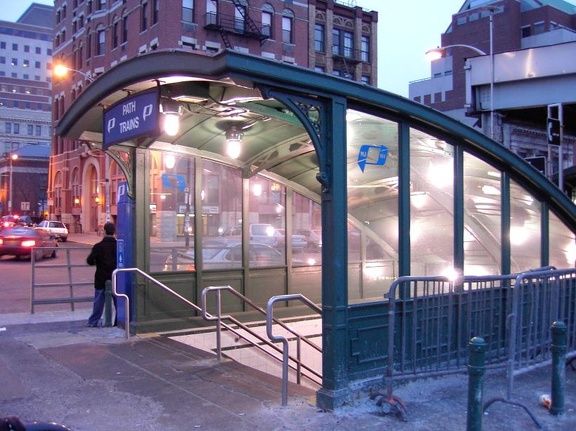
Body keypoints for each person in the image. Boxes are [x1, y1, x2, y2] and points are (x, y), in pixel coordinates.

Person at [86, 221, 117, 327]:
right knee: (118, 300)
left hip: (101, 277)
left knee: (99, 302)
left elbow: (90, 261)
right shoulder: (118, 245)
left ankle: (93, 321)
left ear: (104, 231)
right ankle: (118, 321)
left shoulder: (98, 246)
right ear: (114, 232)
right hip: (116, 278)